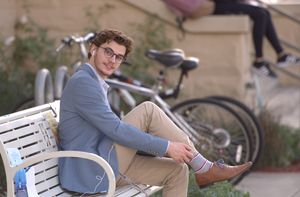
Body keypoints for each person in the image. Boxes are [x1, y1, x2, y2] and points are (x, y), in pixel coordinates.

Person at [58, 29, 252, 196]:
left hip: (102, 162)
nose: (112, 60)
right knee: (148, 110)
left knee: (177, 171)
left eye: (119, 57)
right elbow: (115, 130)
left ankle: (202, 168)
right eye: (108, 52)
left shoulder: (94, 81)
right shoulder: (84, 82)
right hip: (91, 171)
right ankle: (204, 167)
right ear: (93, 49)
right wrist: (166, 147)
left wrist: (162, 148)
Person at [163, 0, 300, 78]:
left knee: (264, 12)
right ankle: (259, 60)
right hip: (212, 6)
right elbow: (192, 7)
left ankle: (280, 55)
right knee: (260, 15)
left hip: (214, 4)